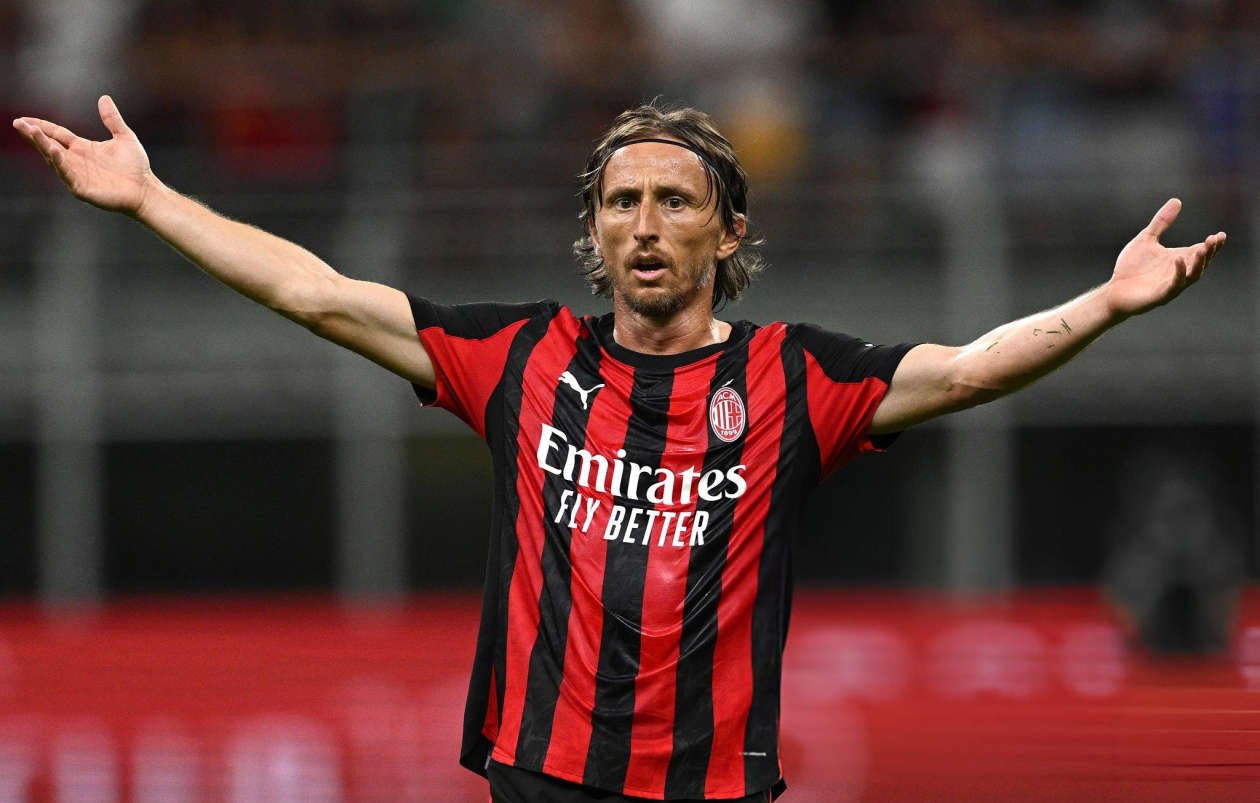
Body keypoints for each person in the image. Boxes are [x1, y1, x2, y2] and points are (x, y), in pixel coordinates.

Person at [12, 96, 1225, 802]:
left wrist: (1107, 304)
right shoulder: (519, 357)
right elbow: (316, 292)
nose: (645, 225)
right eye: (621, 202)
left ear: (728, 230)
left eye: (675, 201)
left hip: (713, 783)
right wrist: (153, 200)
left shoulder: (795, 375)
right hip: (540, 775)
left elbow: (967, 369)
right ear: (593, 230)